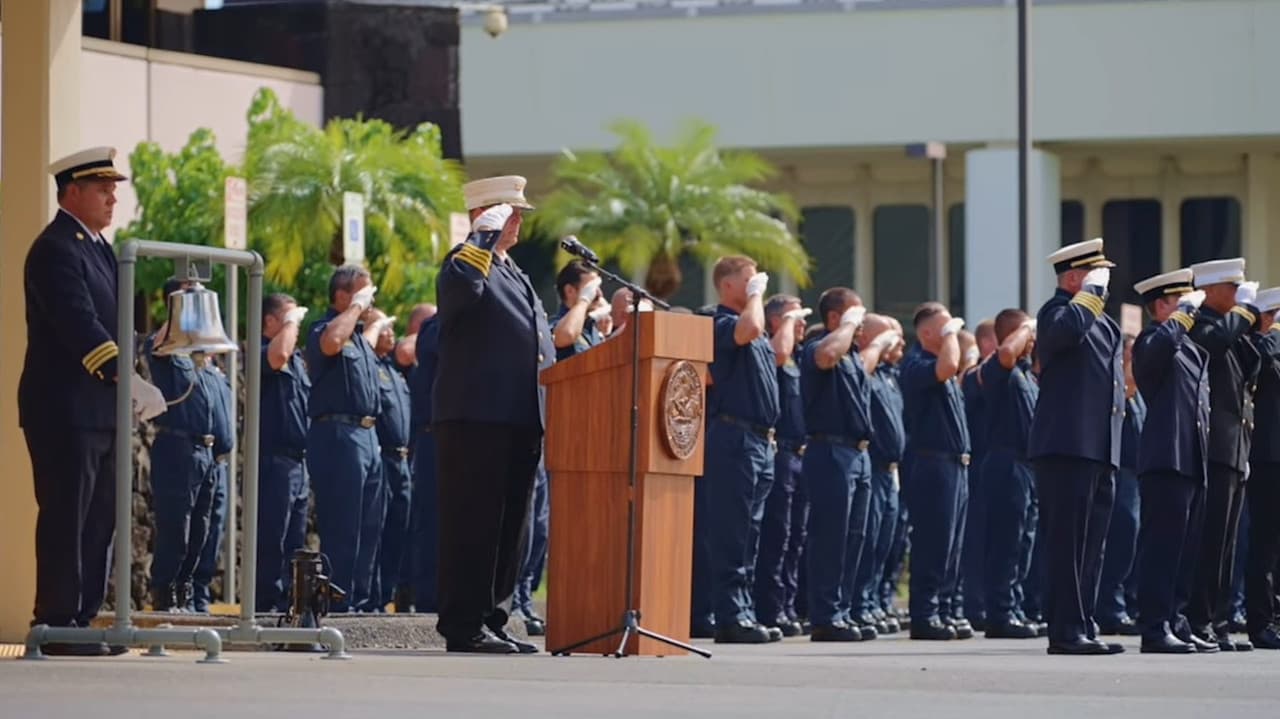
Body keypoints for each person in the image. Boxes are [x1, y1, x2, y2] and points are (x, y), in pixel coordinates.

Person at [19, 146, 143, 656]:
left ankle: (83, 618)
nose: (113, 197)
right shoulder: (55, 248)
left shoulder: (98, 248)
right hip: (65, 408)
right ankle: (56, 621)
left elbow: (115, 321)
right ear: (72, 191)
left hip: (100, 407)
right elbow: (77, 322)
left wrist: (146, 346)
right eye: (102, 188)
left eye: (114, 188)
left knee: (99, 517)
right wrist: (120, 367)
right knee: (68, 515)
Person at [433, 175, 555, 654]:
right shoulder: (466, 261)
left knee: (511, 528)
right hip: (476, 417)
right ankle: (464, 625)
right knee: (474, 524)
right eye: (510, 212)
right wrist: (480, 237)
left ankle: (493, 617)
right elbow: (462, 293)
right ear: (486, 216)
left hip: (519, 417)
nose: (520, 220)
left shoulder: (512, 270)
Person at [1028, 238, 1124, 656]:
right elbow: (1065, 333)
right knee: (1068, 544)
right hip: (1067, 447)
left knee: (1092, 545)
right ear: (1072, 278)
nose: (1104, 284)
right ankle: (1065, 631)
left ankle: (1083, 623)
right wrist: (1090, 295)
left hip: (1098, 447)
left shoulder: (1099, 320)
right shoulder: (1055, 313)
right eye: (1093, 276)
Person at [1129, 269, 1213, 653]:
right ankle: (1155, 626)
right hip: (1166, 458)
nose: (1189, 309)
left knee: (1186, 550)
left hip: (1191, 459)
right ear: (1161, 305)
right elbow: (1159, 348)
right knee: (1161, 549)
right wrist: (1179, 318)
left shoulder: (1190, 348)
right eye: (1179, 302)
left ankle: (1177, 621)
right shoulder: (1151, 340)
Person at [700, 255, 782, 644]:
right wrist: (756, 297)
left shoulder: (756, 328)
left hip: (760, 442)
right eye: (747, 281)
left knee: (751, 533)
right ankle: (730, 616)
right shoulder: (721, 322)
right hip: (734, 438)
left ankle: (743, 612)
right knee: (733, 532)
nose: (755, 287)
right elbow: (747, 329)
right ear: (727, 285)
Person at [1186, 258, 1262, 651]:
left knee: (1228, 543)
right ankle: (1199, 619)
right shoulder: (1200, 326)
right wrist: (1245, 313)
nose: (1237, 297)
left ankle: (1218, 622)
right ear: (1210, 290)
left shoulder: (1230, 330)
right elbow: (1212, 344)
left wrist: (1249, 322)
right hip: (1214, 448)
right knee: (1210, 541)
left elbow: (1253, 363)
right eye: (1231, 289)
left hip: (1234, 447)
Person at [799, 288, 881, 641]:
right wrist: (846, 325)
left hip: (857, 454)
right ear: (835, 319)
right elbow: (826, 355)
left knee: (854, 538)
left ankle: (842, 611)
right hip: (830, 451)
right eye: (854, 319)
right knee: (831, 536)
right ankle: (825, 616)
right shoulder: (818, 348)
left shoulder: (852, 355)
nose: (860, 327)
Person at [305, 265, 385, 613]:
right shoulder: (325, 329)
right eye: (361, 293)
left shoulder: (360, 339)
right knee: (343, 524)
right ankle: (338, 604)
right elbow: (331, 343)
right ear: (341, 296)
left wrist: (372, 320)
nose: (369, 300)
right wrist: (356, 308)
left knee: (370, 526)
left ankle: (360, 602)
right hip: (339, 434)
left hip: (368, 437)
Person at [146, 278, 223, 613]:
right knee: (176, 526)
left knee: (201, 530)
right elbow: (156, 345)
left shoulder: (200, 354)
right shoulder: (165, 346)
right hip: (177, 448)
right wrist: (182, 308)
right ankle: (164, 593)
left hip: (205, 453)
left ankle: (184, 591)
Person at [900, 302, 972, 641]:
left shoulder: (936, 361)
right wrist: (951, 337)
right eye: (943, 330)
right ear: (927, 333)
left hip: (954, 463)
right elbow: (949, 366)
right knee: (934, 541)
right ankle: (924, 614)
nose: (951, 335)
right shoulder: (917, 364)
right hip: (931, 463)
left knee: (952, 544)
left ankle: (943, 608)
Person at [979, 309, 1040, 639]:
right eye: (1024, 333)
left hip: (1027, 467)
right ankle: (1000, 614)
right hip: (1006, 464)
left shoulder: (1027, 375)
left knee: (1023, 543)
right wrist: (1026, 326)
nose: (1031, 338)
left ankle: (1014, 608)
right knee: (1006, 543)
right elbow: (1005, 352)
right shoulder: (997, 369)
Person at [753, 294, 811, 637]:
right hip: (781, 451)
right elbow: (778, 354)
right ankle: (771, 607)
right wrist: (787, 321)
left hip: (801, 453)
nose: (802, 323)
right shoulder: (774, 348)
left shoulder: (800, 355)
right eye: (794, 317)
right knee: (777, 533)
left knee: (795, 537)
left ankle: (787, 605)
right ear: (775, 321)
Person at [255, 293, 311, 613]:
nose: (297, 327)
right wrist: (291, 322)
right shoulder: (265, 351)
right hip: (274, 460)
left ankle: (289, 606)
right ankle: (266, 607)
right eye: (289, 320)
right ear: (270, 322)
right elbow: (279, 355)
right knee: (271, 538)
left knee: (294, 542)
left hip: (298, 462)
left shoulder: (297, 359)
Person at [854, 314, 905, 635]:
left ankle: (873, 602)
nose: (896, 343)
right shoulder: (867, 371)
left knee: (887, 541)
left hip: (890, 471)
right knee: (868, 539)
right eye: (887, 337)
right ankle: (861, 603)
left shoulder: (889, 376)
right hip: (871, 464)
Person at [1095, 334, 1145, 635]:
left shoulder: (1136, 389)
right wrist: (1128, 362)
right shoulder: (1118, 382)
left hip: (1137, 475)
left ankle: (1125, 603)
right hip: (1120, 472)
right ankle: (1111, 608)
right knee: (1120, 540)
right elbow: (1123, 389)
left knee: (1132, 543)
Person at [365, 308, 411, 611]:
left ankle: (386, 596)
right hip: (382, 455)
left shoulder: (393, 370)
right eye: (383, 328)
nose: (390, 333)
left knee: (398, 531)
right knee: (377, 530)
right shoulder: (371, 367)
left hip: (403, 460)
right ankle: (372, 597)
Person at [1245, 287, 1280, 649]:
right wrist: (1272, 333)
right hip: (1268, 459)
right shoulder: (1259, 346)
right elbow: (1263, 366)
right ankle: (1261, 620)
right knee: (1265, 545)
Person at [192, 355, 235, 612]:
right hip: (197, 454)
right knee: (193, 529)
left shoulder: (216, 370)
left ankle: (200, 595)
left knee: (213, 532)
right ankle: (185, 595)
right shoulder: (187, 362)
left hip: (218, 461)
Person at [407, 310, 441, 612]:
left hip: (454, 438)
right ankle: (429, 597)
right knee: (431, 521)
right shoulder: (434, 328)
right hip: (433, 437)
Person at [551, 260, 611, 360]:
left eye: (598, 288)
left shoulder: (592, 328)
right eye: (591, 289)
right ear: (569, 291)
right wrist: (584, 300)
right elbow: (568, 334)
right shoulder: (556, 325)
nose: (599, 294)